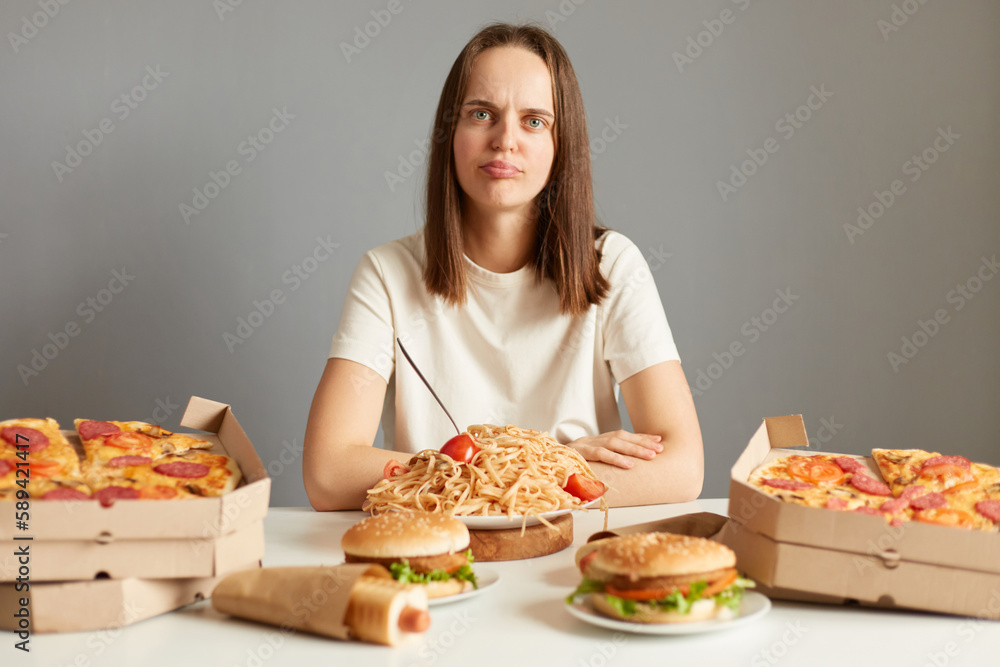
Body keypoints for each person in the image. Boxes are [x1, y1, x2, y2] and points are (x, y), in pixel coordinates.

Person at [304, 23, 703, 511]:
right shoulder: (387, 274)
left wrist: (491, 477)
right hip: (438, 552)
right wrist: (550, 466)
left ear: (562, 146)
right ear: (451, 133)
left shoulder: (612, 263)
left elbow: (683, 468)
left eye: (534, 121)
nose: (505, 140)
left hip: (569, 554)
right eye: (481, 114)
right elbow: (327, 471)